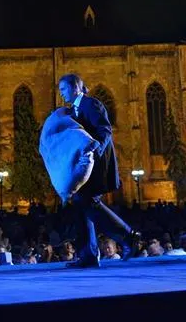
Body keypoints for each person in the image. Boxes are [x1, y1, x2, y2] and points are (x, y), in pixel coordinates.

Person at [57, 73, 140, 268]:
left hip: (97, 165)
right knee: (82, 205)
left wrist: (95, 149)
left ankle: (128, 236)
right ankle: (89, 255)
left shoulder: (90, 104)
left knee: (88, 203)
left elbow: (105, 130)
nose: (61, 94)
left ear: (75, 87)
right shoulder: (74, 110)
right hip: (85, 166)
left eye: (63, 89)